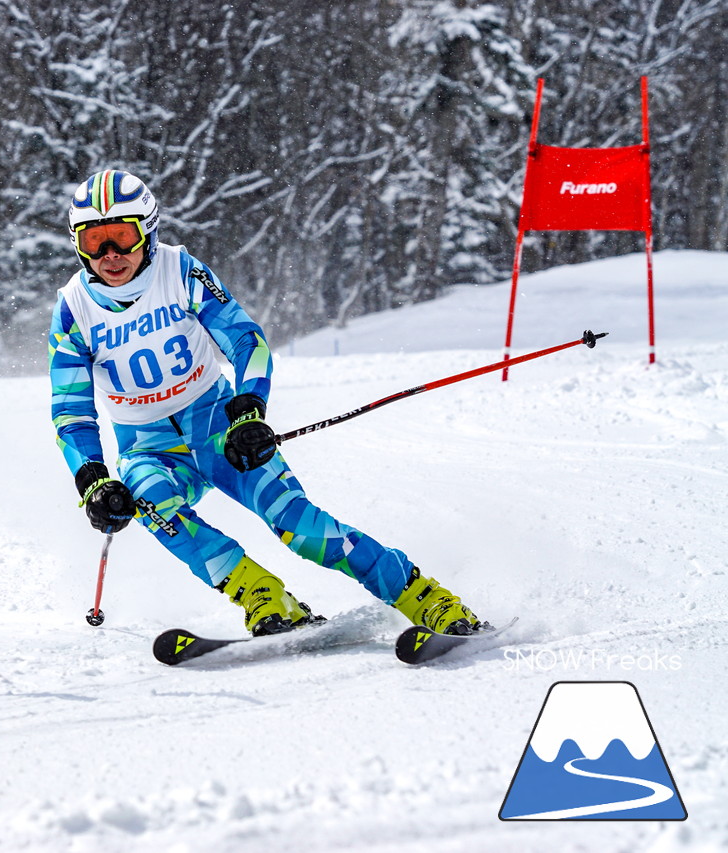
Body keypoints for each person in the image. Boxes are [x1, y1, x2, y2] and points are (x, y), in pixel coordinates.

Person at [48, 169, 487, 637]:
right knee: (149, 499)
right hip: (146, 446)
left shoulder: (180, 271)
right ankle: (262, 594)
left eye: (122, 237)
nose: (110, 255)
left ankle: (425, 598)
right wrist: (92, 479)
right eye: (95, 241)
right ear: (79, 244)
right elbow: (71, 408)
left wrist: (249, 410)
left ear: (149, 231)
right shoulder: (74, 308)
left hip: (217, 428)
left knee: (298, 527)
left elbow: (245, 340)